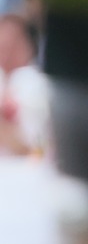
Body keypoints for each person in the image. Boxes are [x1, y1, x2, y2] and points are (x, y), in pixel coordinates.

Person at [0, 12, 49, 158]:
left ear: (30, 47)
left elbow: (34, 149)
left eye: (13, 42)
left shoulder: (34, 84)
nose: (5, 49)